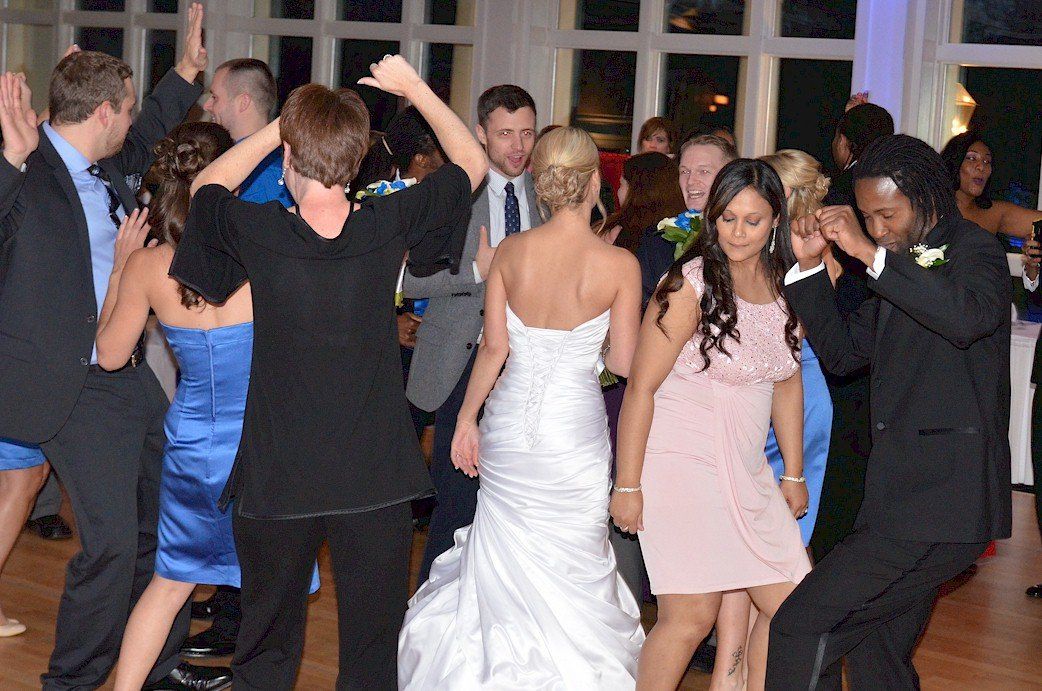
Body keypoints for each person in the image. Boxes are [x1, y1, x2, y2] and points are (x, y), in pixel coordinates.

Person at [169, 56, 486, 688]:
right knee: (372, 653)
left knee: (265, 647)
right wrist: (415, 88)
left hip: (278, 474)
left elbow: (208, 184)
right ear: (357, 160)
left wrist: (279, 128)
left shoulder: (259, 226)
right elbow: (472, 165)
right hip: (374, 476)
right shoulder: (386, 223)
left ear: (287, 161)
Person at [0, 6, 223, 688]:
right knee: (113, 541)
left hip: (121, 370)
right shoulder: (26, 167)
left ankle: (153, 663)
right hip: (64, 379)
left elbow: (154, 120)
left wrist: (186, 68)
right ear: (101, 113)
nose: (133, 124)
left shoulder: (110, 159)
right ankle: (72, 678)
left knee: (167, 519)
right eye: (122, 111)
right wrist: (8, 161)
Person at [398, 126, 645, 688]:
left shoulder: (511, 252)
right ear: (591, 185)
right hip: (573, 430)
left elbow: (493, 348)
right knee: (572, 556)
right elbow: (626, 365)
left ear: (542, 186)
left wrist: (465, 420)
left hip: (508, 424)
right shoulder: (618, 266)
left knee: (501, 549)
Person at [770, 134, 1011, 689]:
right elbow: (848, 353)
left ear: (925, 196)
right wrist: (807, 272)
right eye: (868, 217)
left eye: (888, 214)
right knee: (879, 651)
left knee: (800, 627)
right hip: (899, 496)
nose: (878, 228)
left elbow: (965, 318)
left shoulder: (975, 251)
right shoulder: (895, 265)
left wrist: (868, 254)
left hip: (945, 502)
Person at [612, 159, 810, 691]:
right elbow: (641, 388)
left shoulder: (783, 284)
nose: (738, 233)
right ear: (711, 219)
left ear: (775, 222)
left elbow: (787, 381)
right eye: (727, 219)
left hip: (747, 472)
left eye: (753, 220)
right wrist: (627, 484)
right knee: (691, 617)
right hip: (682, 464)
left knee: (794, 609)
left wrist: (792, 472)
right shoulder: (688, 284)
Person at [87, 122, 246, 691]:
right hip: (265, 444)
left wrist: (120, 267)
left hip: (197, 446)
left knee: (170, 581)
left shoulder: (151, 266)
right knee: (271, 586)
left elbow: (108, 356)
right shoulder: (266, 249)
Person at [403, 84, 541, 584]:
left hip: (526, 368)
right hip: (457, 367)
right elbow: (408, 279)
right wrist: (477, 274)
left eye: (526, 133)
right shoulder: (451, 194)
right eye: (505, 134)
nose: (518, 146)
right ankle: (430, 618)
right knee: (455, 507)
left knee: (512, 507)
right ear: (481, 134)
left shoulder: (548, 197)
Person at [184, 56, 293, 661]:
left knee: (247, 496)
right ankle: (225, 600)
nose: (207, 107)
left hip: (263, 356)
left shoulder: (262, 174)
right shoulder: (256, 165)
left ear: (244, 104)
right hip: (244, 350)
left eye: (215, 96)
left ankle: (236, 622)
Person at [807, 102, 894, 564]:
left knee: (837, 443)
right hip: (872, 326)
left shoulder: (842, 191)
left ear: (845, 141)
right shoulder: (888, 192)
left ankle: (830, 544)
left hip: (842, 320)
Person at [599, 150, 687, 602]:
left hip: (622, 376)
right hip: (672, 378)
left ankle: (628, 597)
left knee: (623, 476)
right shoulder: (683, 239)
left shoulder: (618, 236)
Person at [760, 149, 834, 546]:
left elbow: (802, 331)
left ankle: (789, 606)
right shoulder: (769, 245)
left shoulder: (814, 253)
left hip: (798, 389)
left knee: (785, 528)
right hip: (772, 387)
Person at [634, 133, 737, 309]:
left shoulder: (743, 239)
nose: (690, 181)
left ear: (729, 177)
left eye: (703, 171)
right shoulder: (657, 240)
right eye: (685, 171)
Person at [940, 130, 1042, 239]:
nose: (981, 167)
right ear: (953, 163)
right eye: (971, 158)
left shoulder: (994, 213)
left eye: (987, 161)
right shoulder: (931, 208)